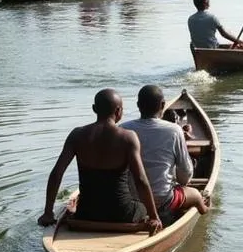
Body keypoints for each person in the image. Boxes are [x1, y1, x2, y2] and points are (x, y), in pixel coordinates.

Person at [37, 88, 162, 231]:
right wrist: (154, 216)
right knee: (141, 207)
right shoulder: (128, 137)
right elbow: (140, 179)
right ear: (118, 111)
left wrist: (48, 212)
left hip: (86, 213)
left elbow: (56, 173)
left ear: (94, 109)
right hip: (123, 213)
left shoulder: (77, 135)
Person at [122, 85, 209, 224]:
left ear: (138, 105)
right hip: (164, 201)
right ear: (163, 105)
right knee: (196, 195)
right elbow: (185, 175)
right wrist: (181, 182)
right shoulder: (174, 131)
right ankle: (205, 208)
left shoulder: (123, 129)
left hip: (129, 200)